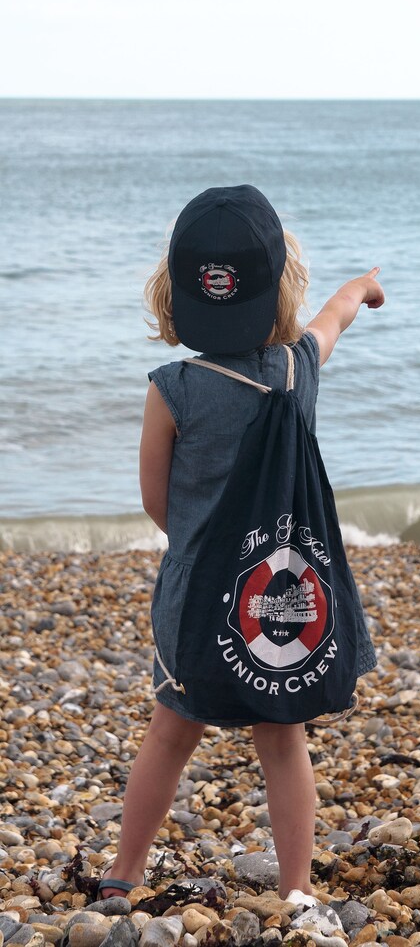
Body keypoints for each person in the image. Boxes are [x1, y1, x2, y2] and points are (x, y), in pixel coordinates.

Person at [98, 185, 385, 904]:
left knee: (169, 733)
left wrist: (204, 541)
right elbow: (334, 320)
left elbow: (155, 502)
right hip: (278, 594)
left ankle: (123, 876)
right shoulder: (297, 370)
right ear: (282, 287)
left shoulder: (172, 390)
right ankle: (295, 891)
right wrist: (362, 288)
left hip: (197, 598)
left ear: (177, 294)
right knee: (282, 740)